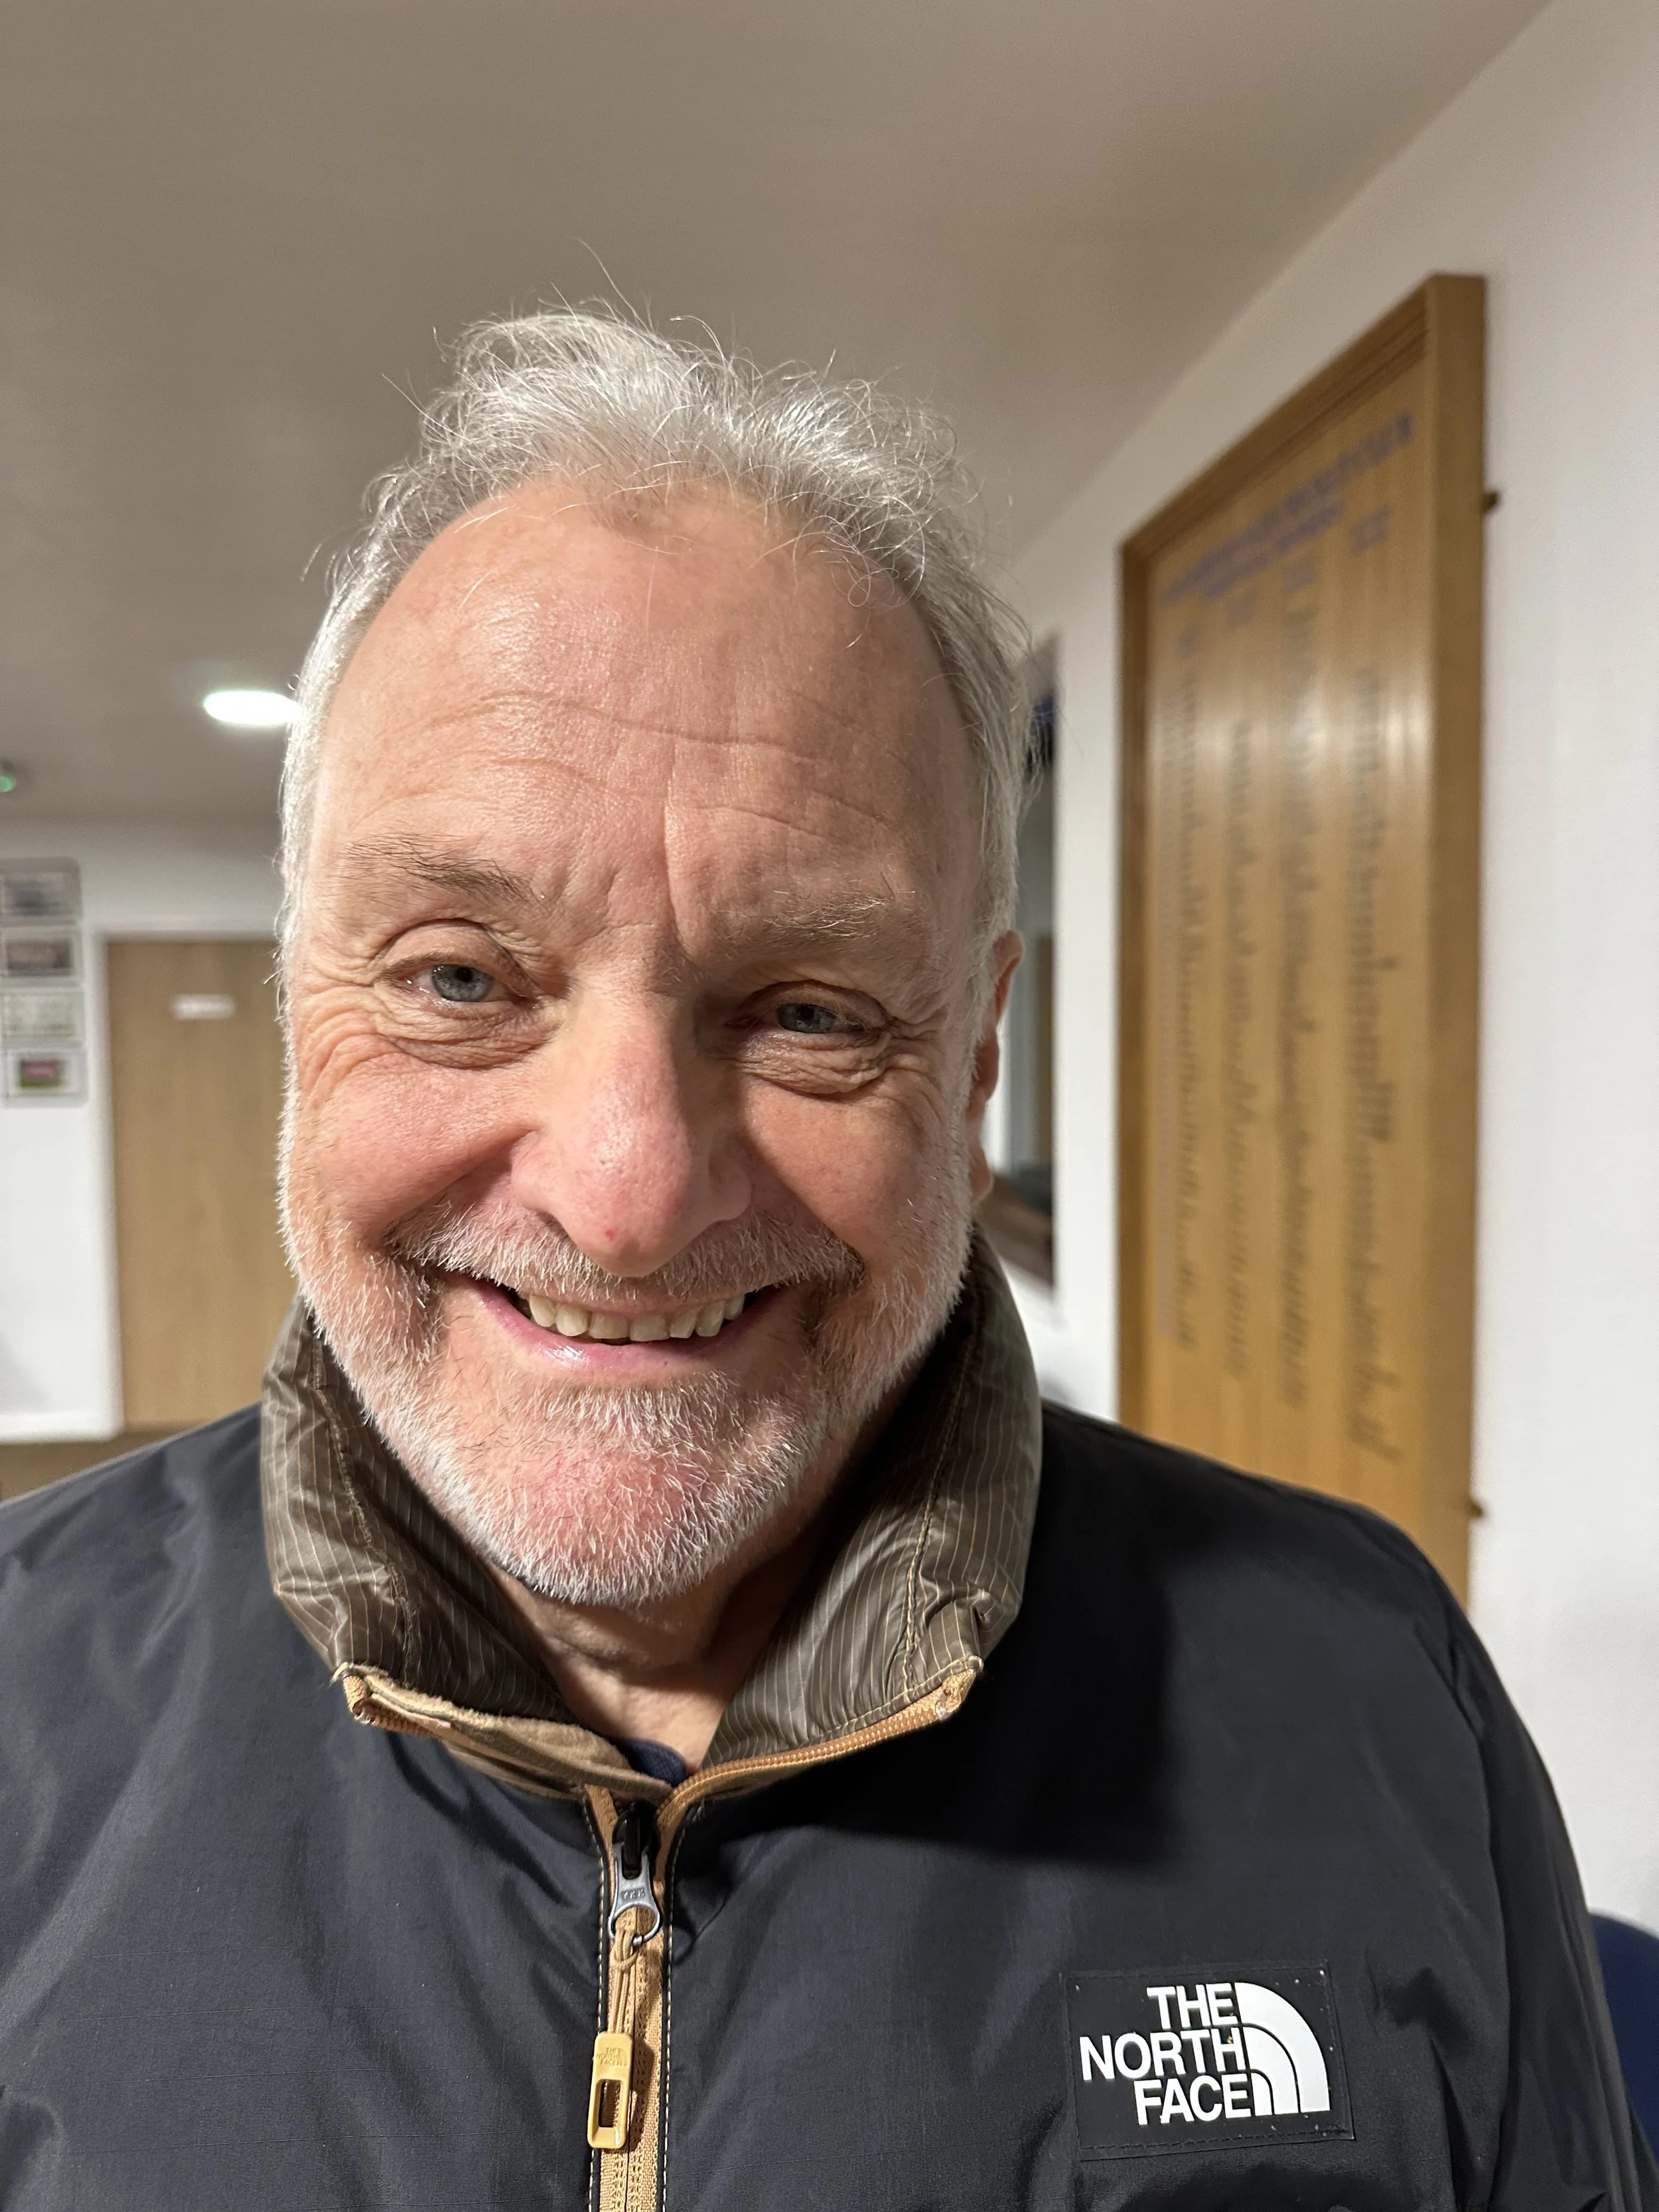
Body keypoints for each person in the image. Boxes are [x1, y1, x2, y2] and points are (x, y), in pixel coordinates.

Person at [0, 313, 1650, 2212]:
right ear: (304, 1006)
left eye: (804, 1007)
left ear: (971, 1060)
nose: (627, 1193)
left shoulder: (1370, 1694)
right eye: (461, 975)